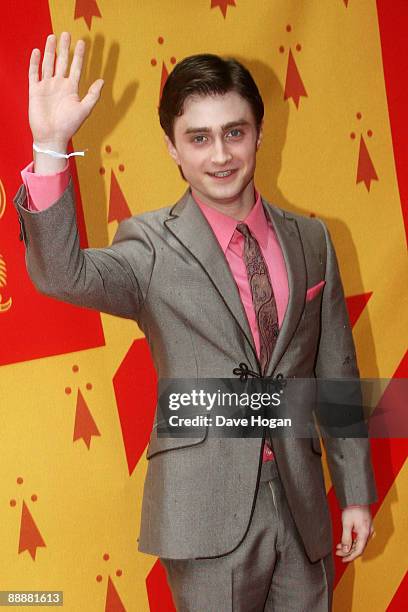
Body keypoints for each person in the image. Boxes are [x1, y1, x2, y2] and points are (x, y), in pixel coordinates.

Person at [14, 32, 377, 611]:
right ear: (172, 149)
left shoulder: (314, 242)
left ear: (259, 131)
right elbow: (63, 275)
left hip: (304, 508)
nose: (221, 155)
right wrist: (52, 146)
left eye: (234, 132)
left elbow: (337, 377)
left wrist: (355, 492)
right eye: (199, 138)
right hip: (203, 514)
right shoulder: (150, 246)